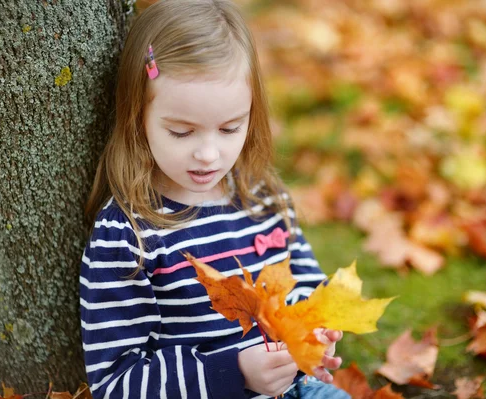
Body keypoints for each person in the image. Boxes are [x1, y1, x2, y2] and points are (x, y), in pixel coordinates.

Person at [79, 0, 351, 398]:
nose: (208, 154)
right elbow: (116, 382)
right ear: (138, 116)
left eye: (229, 128)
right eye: (182, 132)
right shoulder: (127, 234)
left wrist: (317, 329)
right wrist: (236, 372)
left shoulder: (262, 197)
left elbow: (307, 283)